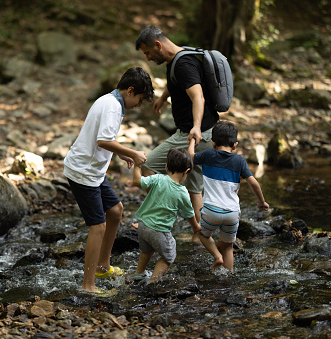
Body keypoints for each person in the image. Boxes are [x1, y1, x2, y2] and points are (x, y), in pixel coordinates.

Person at [64, 67, 155, 293]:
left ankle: (102, 266)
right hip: (83, 172)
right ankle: (88, 285)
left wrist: (121, 153)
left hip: (92, 171)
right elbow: (104, 141)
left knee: (115, 210)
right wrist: (133, 152)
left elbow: (100, 139)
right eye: (140, 100)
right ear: (130, 91)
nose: (139, 105)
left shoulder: (109, 100)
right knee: (98, 226)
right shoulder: (113, 107)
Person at [135, 25, 221, 241]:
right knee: (193, 186)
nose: (148, 58)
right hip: (195, 132)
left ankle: (164, 218)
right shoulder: (180, 57)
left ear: (158, 45)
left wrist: (196, 126)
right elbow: (179, 83)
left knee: (150, 166)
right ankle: (198, 232)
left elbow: (198, 96)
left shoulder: (182, 63)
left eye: (147, 53)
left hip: (194, 134)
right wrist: (164, 97)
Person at [188, 121, 269, 272]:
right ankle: (227, 277)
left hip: (211, 211)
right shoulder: (240, 161)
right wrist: (261, 201)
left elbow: (190, 157)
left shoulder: (208, 155)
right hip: (232, 213)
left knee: (201, 234)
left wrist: (192, 141)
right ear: (235, 145)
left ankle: (217, 256)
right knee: (228, 247)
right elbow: (254, 184)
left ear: (213, 143)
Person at [132, 148, 202, 284]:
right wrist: (196, 227)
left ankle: (138, 274)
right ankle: (153, 283)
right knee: (169, 256)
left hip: (143, 226)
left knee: (146, 250)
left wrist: (137, 165)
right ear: (186, 172)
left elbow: (137, 181)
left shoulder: (157, 178)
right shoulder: (182, 192)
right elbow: (189, 214)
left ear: (166, 167)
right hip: (159, 230)